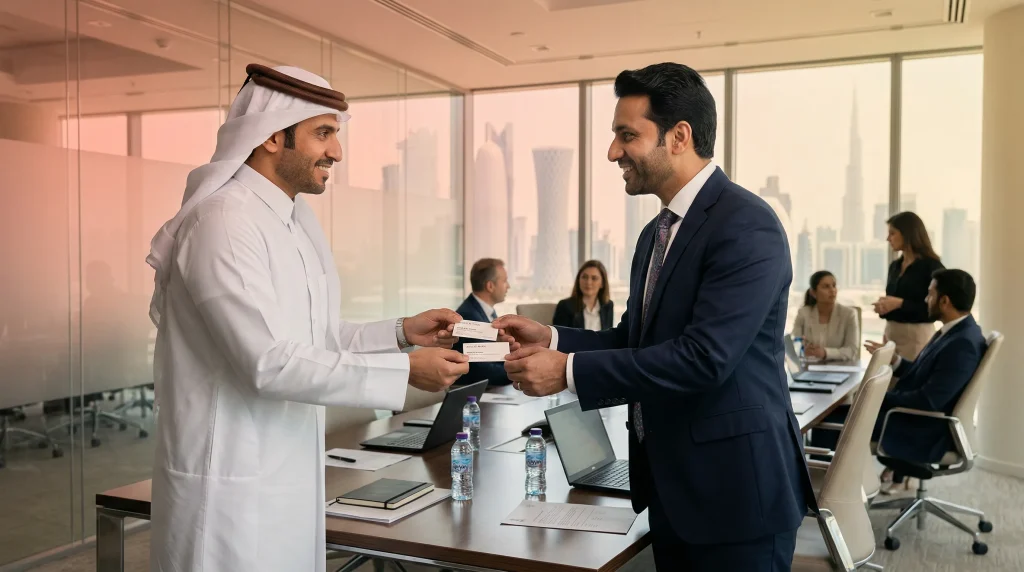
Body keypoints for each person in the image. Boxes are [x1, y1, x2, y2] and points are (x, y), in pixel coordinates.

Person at [145, 64, 469, 572]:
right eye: (323, 133)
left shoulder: (291, 221)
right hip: (229, 489)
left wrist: (402, 333)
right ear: (273, 135)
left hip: (286, 477)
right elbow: (267, 362)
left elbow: (315, 339)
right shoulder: (223, 222)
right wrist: (406, 372)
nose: (336, 152)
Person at [494, 62, 814, 571]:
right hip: (671, 488)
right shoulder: (656, 234)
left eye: (627, 135)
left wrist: (567, 372)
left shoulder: (747, 225)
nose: (612, 151)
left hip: (734, 495)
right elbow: (634, 341)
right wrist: (553, 337)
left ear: (679, 136)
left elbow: (703, 359)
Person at [816, 269, 985, 492]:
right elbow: (921, 372)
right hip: (915, 419)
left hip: (922, 428)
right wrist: (895, 360)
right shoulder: (955, 332)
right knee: (840, 411)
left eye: (930, 294)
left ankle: (830, 497)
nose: (926, 299)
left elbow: (929, 400)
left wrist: (874, 398)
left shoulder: (962, 344)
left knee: (829, 419)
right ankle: (834, 490)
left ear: (944, 301)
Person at [873, 211, 944, 359]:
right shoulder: (894, 266)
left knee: (910, 380)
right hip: (891, 335)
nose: (888, 238)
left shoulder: (932, 267)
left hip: (917, 339)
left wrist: (901, 304)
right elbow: (894, 304)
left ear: (907, 234)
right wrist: (884, 308)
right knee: (889, 381)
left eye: (892, 233)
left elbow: (935, 310)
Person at [453, 258, 511, 386]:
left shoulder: (487, 312)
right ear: (490, 286)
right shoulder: (469, 316)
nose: (508, 286)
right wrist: (520, 371)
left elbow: (497, 357)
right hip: (477, 394)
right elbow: (482, 369)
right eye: (505, 281)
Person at [792, 270, 860, 362]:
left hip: (841, 369)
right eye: (826, 287)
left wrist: (825, 353)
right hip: (810, 368)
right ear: (813, 293)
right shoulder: (803, 313)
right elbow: (794, 345)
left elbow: (852, 351)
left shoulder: (849, 314)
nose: (832, 290)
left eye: (834, 286)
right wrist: (802, 350)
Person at [552, 260, 615, 331]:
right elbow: (560, 337)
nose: (588, 282)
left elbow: (608, 336)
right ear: (578, 280)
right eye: (584, 277)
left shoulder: (608, 305)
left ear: (602, 284)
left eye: (594, 278)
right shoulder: (564, 306)